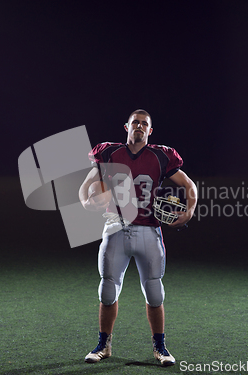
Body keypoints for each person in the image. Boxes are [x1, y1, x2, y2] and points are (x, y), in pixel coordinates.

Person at [78, 109, 197, 366]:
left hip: (148, 230)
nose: (140, 126)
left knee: (155, 292)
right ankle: (103, 344)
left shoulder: (160, 156)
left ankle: (160, 347)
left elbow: (189, 185)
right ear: (127, 126)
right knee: (107, 289)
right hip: (115, 228)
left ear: (150, 131)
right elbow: (85, 185)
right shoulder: (109, 153)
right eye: (136, 122)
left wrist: (189, 212)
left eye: (145, 123)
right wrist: (87, 203)